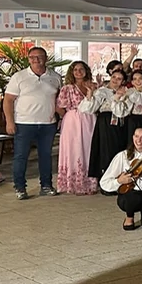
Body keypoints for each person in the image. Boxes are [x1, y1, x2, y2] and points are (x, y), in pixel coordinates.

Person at [4, 46, 62, 199]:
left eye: (39, 56)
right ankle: (20, 188)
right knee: (21, 156)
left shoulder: (55, 77)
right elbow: (8, 100)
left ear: (45, 58)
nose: (36, 60)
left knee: (46, 156)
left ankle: (46, 185)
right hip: (23, 123)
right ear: (28, 59)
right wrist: (9, 122)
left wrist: (63, 118)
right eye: (32, 57)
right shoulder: (19, 77)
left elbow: (59, 101)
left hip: (48, 124)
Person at [99, 126, 142, 231]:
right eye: (136, 136)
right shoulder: (122, 156)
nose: (138, 140)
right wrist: (119, 181)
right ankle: (129, 216)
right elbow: (104, 183)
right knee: (134, 197)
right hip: (131, 195)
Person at [54, 60, 99, 195]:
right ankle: (75, 183)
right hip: (73, 121)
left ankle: (90, 183)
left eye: (81, 69)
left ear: (86, 71)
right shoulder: (67, 88)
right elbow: (59, 107)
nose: (78, 72)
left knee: (89, 148)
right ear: (71, 72)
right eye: (75, 70)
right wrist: (70, 117)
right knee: (74, 149)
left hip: (90, 119)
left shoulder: (94, 85)